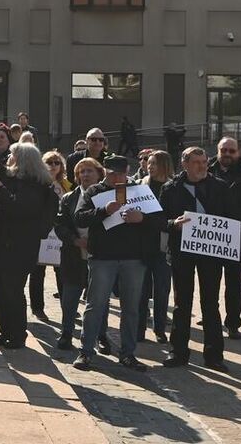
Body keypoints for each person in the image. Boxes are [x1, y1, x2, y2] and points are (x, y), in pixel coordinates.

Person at [75, 154, 155, 371]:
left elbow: (158, 220)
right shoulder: (95, 191)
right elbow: (79, 217)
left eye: (121, 173)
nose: (117, 178)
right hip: (103, 258)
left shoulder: (139, 191)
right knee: (96, 305)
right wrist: (102, 211)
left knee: (131, 308)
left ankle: (128, 353)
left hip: (133, 258)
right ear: (105, 173)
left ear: (128, 171)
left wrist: (142, 219)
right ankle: (86, 352)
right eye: (112, 174)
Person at [157, 147, 232, 371]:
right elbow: (160, 219)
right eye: (196, 162)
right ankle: (178, 352)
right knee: (182, 304)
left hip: (211, 253)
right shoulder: (170, 189)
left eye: (204, 162)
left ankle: (214, 356)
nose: (202, 166)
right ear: (185, 164)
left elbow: (231, 218)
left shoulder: (220, 187)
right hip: (182, 252)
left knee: (211, 303)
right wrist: (173, 224)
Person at [0, 141, 57, 335]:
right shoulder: (14, 177)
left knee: (12, 293)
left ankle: (17, 334)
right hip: (1, 246)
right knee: (0, 292)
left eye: (11, 155)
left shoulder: (36, 185)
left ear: (22, 160)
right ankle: (5, 330)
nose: (8, 159)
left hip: (18, 249)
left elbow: (17, 208)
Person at [211, 137, 241, 340]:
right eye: (224, 150)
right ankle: (210, 318)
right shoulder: (208, 168)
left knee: (233, 281)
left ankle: (233, 323)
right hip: (211, 236)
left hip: (236, 236)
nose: (227, 154)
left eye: (231, 151)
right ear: (218, 151)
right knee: (210, 280)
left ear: (239, 152)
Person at [50, 154, 91, 351]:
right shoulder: (69, 198)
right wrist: (75, 240)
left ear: (99, 174)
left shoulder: (106, 197)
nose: (85, 174)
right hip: (73, 255)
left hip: (98, 257)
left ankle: (98, 335)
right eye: (81, 171)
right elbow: (60, 225)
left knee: (97, 301)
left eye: (90, 170)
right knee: (70, 297)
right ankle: (66, 332)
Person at [135, 151, 175, 343]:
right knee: (141, 292)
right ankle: (139, 329)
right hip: (142, 244)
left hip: (163, 246)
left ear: (165, 165)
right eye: (148, 163)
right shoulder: (140, 184)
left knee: (162, 290)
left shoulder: (173, 186)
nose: (150, 166)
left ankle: (159, 329)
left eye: (154, 163)